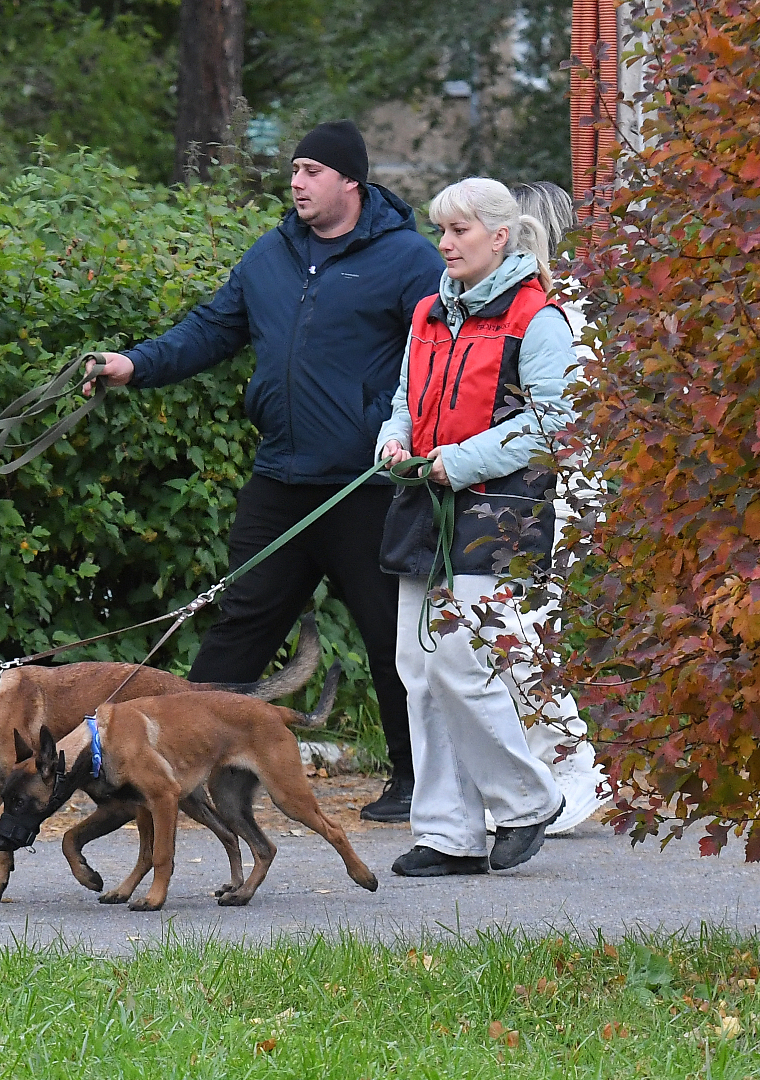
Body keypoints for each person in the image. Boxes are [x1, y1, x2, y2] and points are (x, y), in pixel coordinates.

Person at [84, 120, 445, 823]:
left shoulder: (407, 259)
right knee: (237, 630)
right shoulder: (272, 255)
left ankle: (413, 780)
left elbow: (436, 359)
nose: (296, 182)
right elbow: (211, 329)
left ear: (351, 182)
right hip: (281, 482)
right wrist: (136, 364)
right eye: (294, 170)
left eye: (311, 170)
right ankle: (180, 770)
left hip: (364, 487)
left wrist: (403, 437)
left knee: (391, 638)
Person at [377, 177, 573, 876]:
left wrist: (459, 461)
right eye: (442, 229)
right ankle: (448, 835)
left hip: (501, 511)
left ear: (500, 237)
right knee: (418, 671)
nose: (446, 242)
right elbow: (404, 398)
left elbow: (555, 422)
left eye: (460, 230)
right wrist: (393, 444)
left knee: (460, 662)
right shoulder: (429, 312)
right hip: (423, 502)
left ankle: (528, 800)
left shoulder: (538, 318)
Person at [503, 179, 610, 836]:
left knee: (518, 634)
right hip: (519, 490)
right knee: (498, 635)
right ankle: (540, 768)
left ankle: (575, 762)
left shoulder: (561, 313)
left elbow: (573, 421)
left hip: (553, 494)